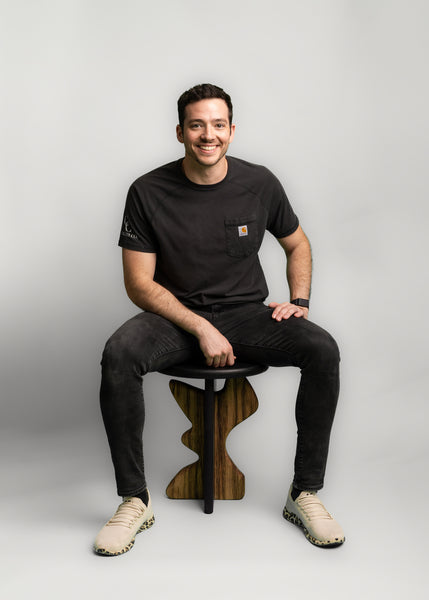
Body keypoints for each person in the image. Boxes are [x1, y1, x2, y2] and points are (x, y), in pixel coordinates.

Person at [94, 83, 345, 556]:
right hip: (175, 317)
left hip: (247, 314)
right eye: (196, 125)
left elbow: (298, 244)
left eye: (217, 125)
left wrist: (300, 299)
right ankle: (134, 500)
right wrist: (201, 326)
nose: (207, 135)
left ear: (231, 130)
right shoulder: (147, 191)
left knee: (322, 348)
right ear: (180, 132)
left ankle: (305, 493)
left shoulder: (260, 183)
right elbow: (139, 285)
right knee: (119, 354)